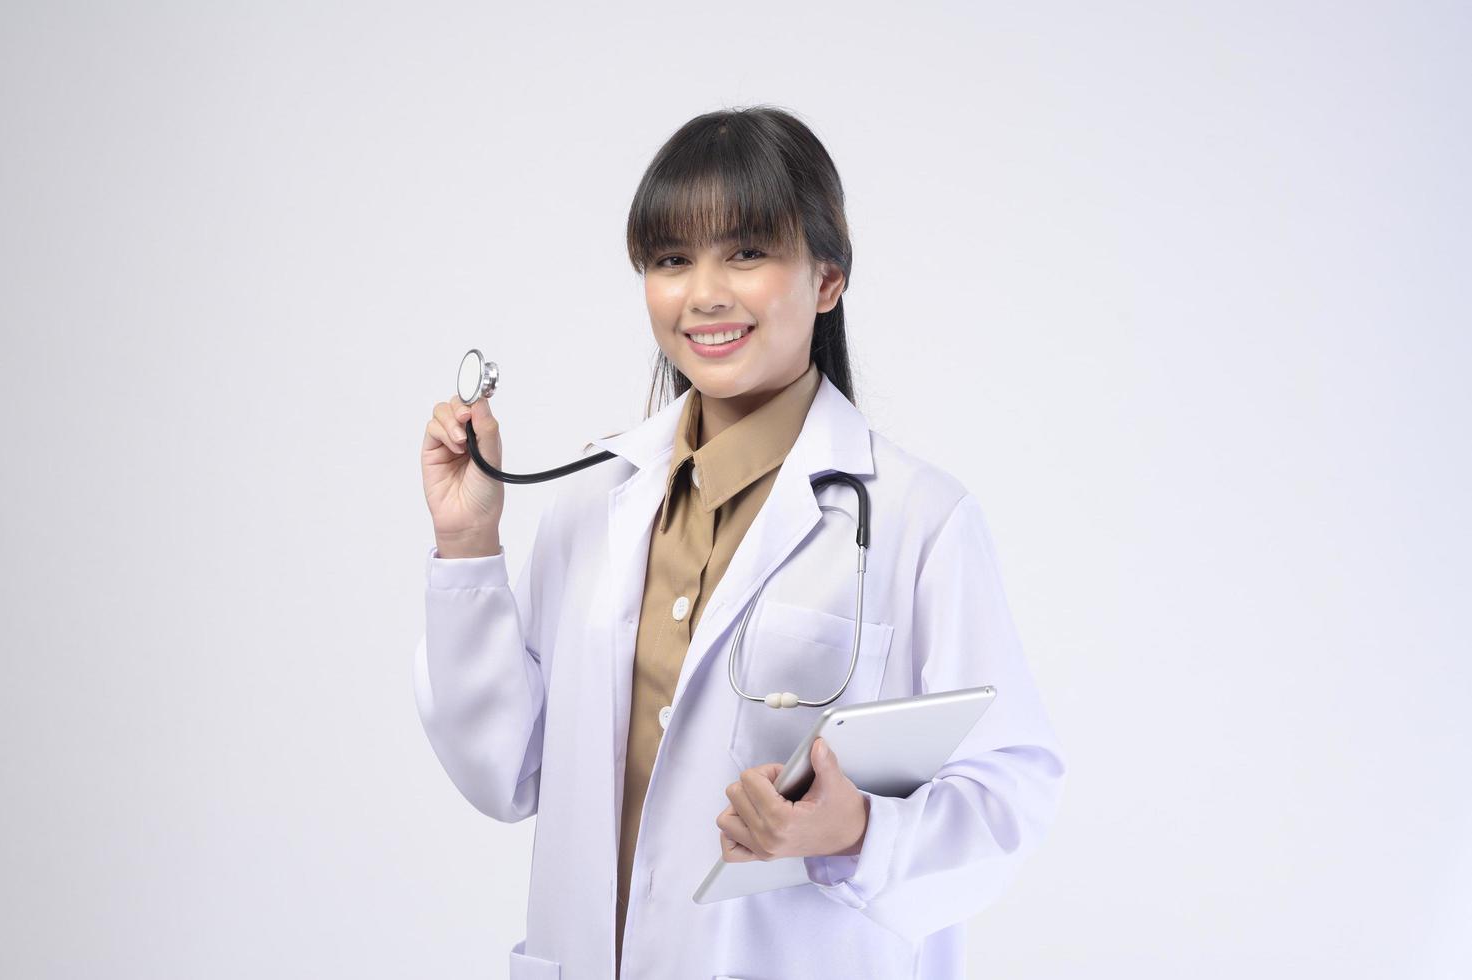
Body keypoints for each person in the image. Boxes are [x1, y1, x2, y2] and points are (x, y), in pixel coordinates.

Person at [414, 105, 1066, 980]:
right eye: (671, 259)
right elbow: (508, 772)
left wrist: (857, 831)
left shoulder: (920, 520)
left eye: (747, 253)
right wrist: (467, 543)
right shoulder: (591, 501)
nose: (704, 293)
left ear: (827, 279)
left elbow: (1008, 795)